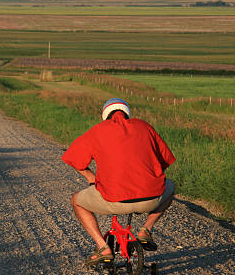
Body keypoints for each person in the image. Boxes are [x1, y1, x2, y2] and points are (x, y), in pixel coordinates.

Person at [61, 98, 176, 266]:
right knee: (171, 187)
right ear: (127, 113)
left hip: (113, 200)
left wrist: (90, 178)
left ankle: (103, 248)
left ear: (105, 115)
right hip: (150, 200)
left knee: (76, 201)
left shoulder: (97, 130)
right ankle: (146, 230)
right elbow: (165, 161)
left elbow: (71, 158)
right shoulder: (144, 127)